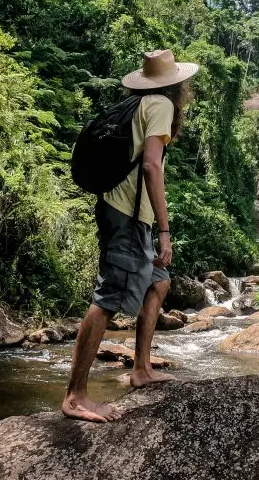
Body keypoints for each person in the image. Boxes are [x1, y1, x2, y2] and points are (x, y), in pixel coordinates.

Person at [62, 49, 199, 423]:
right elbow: (153, 167)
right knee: (108, 297)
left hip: (131, 213)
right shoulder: (161, 106)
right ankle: (75, 395)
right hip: (125, 214)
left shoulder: (139, 105)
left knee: (159, 282)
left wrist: (154, 224)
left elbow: (149, 166)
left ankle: (141, 367)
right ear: (177, 84)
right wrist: (166, 230)